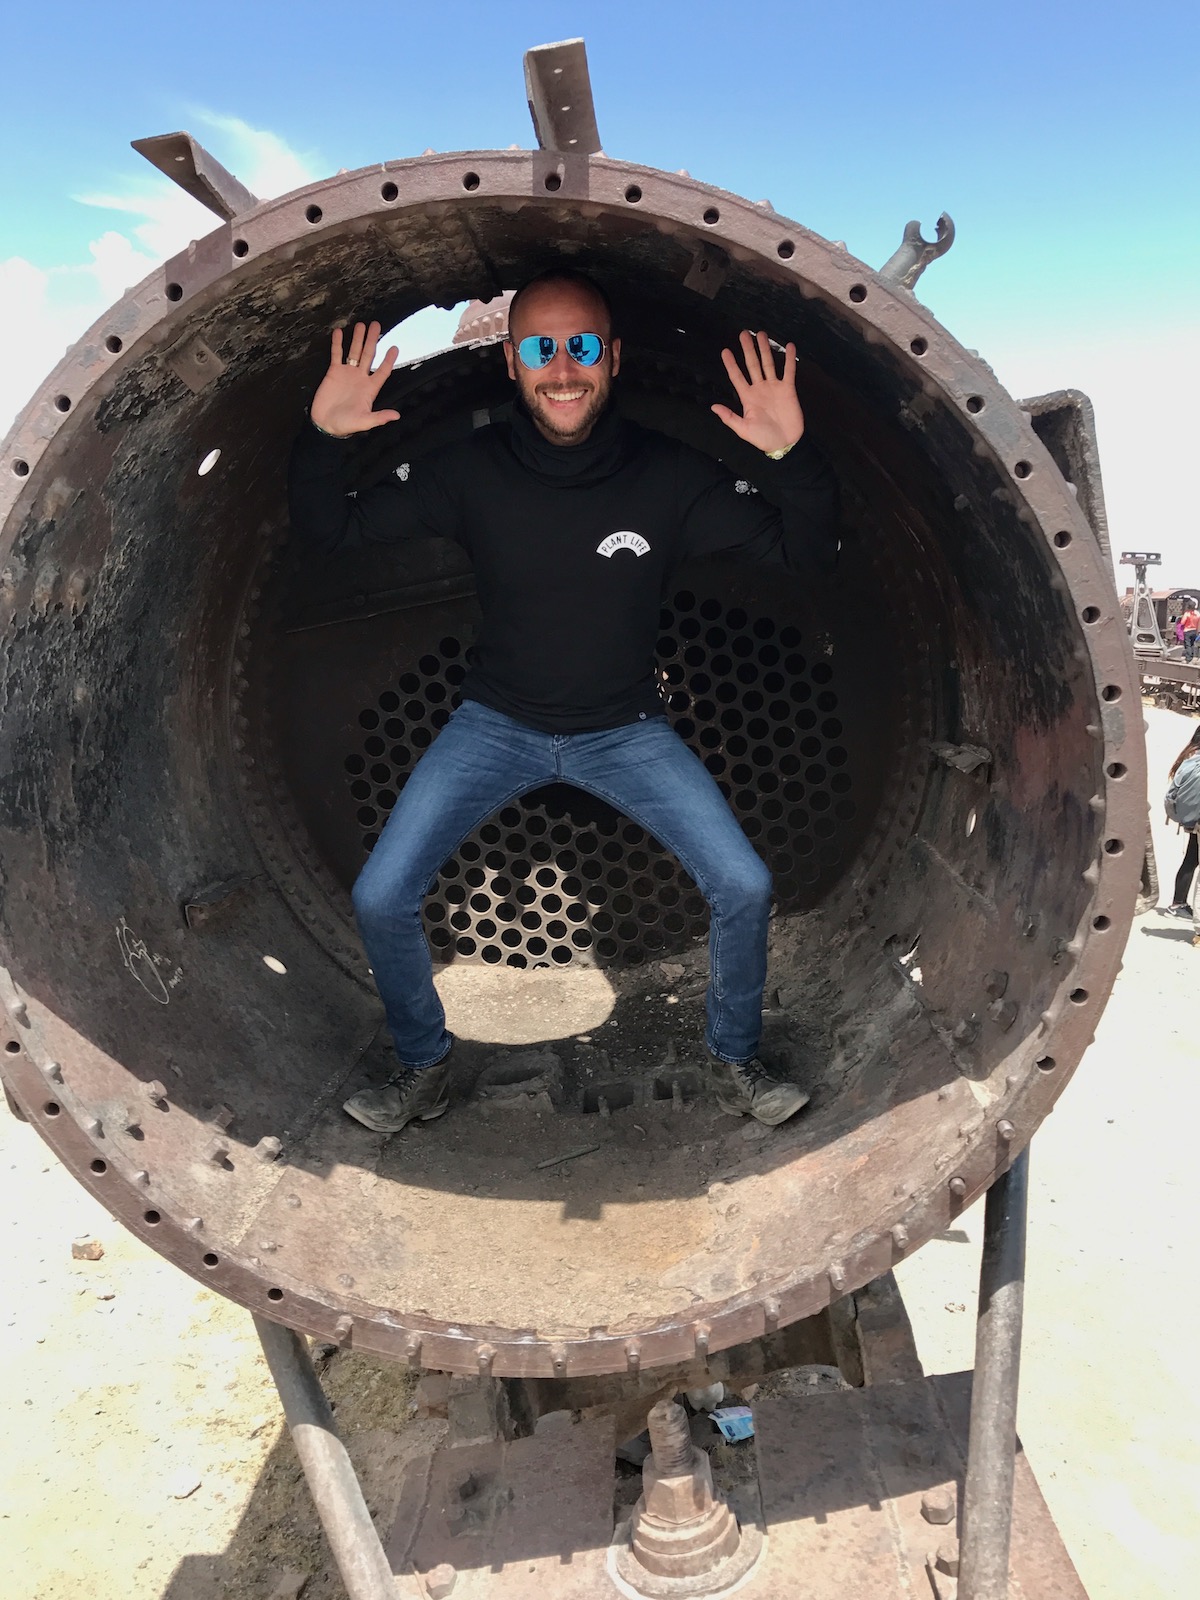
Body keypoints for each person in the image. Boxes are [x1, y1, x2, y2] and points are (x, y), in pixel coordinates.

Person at [288, 269, 839, 1133]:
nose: (563, 368)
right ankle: (422, 1066)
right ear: (513, 362)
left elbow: (804, 555)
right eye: (542, 349)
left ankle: (735, 1061)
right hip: (495, 726)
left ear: (611, 357)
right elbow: (332, 531)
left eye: (581, 346)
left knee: (742, 885)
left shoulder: (667, 474)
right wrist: (323, 438)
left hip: (626, 731)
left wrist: (789, 455)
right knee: (381, 896)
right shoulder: (469, 469)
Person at [1161, 725, 1200, 918]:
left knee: (1191, 859)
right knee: (1192, 859)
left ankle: (1178, 904)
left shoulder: (1189, 755)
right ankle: (1178, 905)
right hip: (1197, 818)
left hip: (1191, 818)